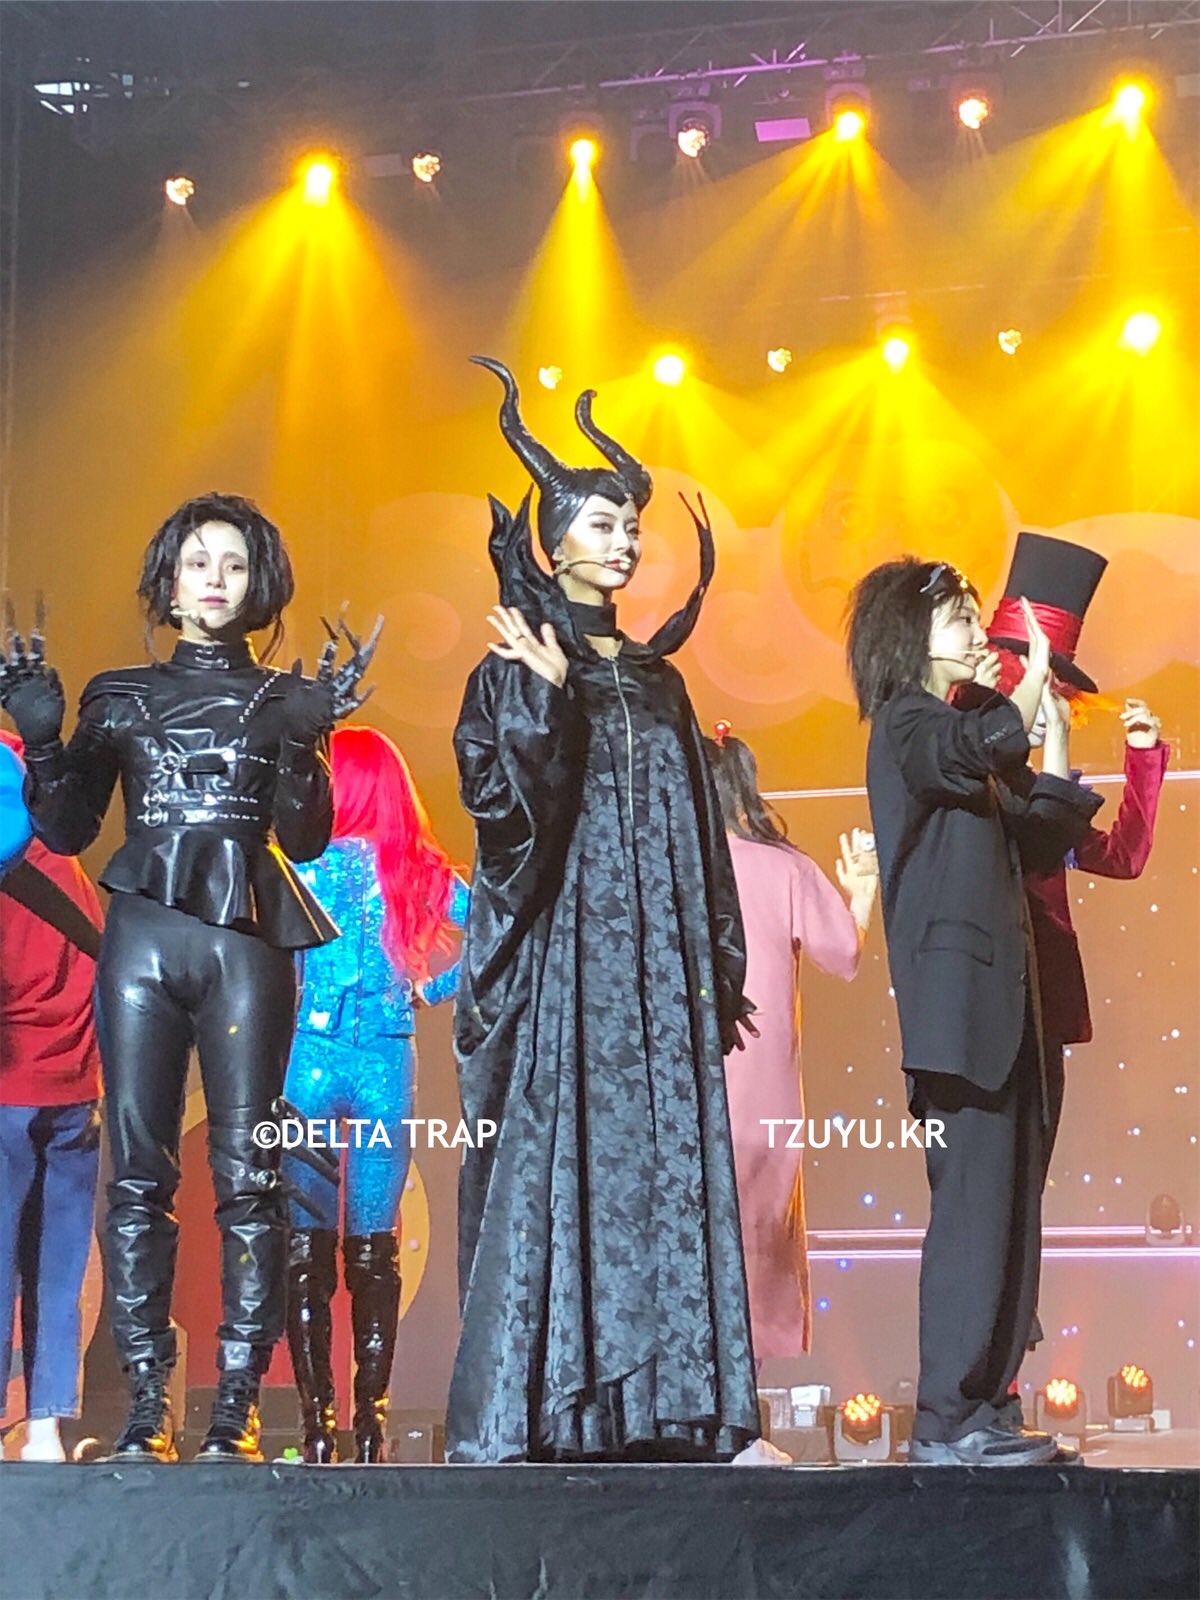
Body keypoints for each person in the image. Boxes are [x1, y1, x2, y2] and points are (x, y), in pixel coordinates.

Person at [0, 492, 377, 1464]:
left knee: (249, 1176)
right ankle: (143, 1411)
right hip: (142, 942)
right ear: (167, 580)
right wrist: (46, 742)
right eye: (197, 561)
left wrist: (310, 747)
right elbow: (68, 830)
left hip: (246, 942)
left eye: (234, 563)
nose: (214, 578)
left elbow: (305, 840)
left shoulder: (287, 699)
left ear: (261, 585)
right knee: (138, 1176)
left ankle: (235, 1410)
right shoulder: (118, 694)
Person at [448, 356, 760, 1464]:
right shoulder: (517, 662)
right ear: (552, 539)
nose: (624, 539)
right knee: (568, 1165)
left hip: (659, 975)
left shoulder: (661, 680)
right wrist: (539, 701)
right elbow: (502, 820)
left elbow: (701, 836)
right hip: (571, 967)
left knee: (666, 1167)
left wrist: (715, 960)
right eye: (600, 522)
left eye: (631, 523)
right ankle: (562, 1407)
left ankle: (669, 1407)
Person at [846, 557, 1102, 1466]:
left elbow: (1040, 832)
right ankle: (947, 1419)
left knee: (1011, 1213)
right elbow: (973, 748)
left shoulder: (967, 736)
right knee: (971, 1215)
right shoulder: (908, 724)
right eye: (956, 619)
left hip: (1011, 1013)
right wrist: (1025, 686)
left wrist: (1053, 732)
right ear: (910, 638)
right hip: (958, 1018)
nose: (973, 636)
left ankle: (989, 1404)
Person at [975, 532, 1169, 1411]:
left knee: (1025, 1192)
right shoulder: (967, 762)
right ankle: (978, 1381)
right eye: (1034, 674)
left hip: (1043, 1004)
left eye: (1053, 684)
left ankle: (1006, 1376)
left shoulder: (1043, 780)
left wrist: (1142, 761)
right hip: (983, 1005)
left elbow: (1121, 856)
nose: (1045, 697)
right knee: (988, 1193)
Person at [282, 725, 468, 1464]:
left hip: (307, 1059)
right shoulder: (414, 868)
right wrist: (429, 991)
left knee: (305, 1247)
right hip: (387, 1060)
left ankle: (316, 1425)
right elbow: (499, 933)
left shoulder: (301, 863)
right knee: (373, 1248)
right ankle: (370, 1425)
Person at [702, 722, 878, 1362]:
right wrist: (863, 892)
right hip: (764, 1091)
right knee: (759, 1234)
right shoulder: (786, 867)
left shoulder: (669, 871)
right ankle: (744, 1383)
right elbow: (843, 953)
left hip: (684, 1085)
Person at [0, 730, 102, 1463]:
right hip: (75, 1080)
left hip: (10, 1085)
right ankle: (45, 1429)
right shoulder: (67, 862)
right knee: (59, 1267)